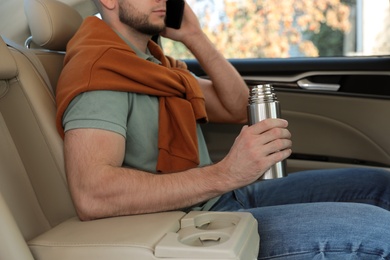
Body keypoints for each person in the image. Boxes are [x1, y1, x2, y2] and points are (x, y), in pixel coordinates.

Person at [56, 0, 390, 258]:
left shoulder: (153, 64)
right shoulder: (99, 72)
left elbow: (235, 105)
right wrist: (226, 174)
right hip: (187, 224)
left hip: (217, 199)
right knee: (382, 235)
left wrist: (194, 36)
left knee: (380, 185)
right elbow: (92, 194)